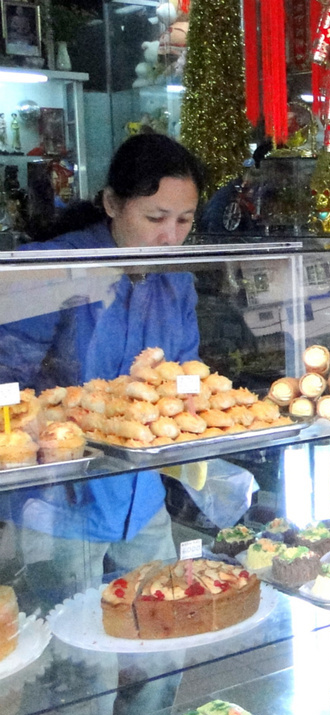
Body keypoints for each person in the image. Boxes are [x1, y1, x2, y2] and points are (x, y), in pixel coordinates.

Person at [0, 132, 204, 611]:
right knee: (79, 663)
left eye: (184, 220)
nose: (170, 237)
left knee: (162, 636)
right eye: (155, 218)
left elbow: (187, 374)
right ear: (112, 203)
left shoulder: (177, 280)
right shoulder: (53, 271)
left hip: (143, 495)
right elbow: (8, 387)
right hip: (59, 507)